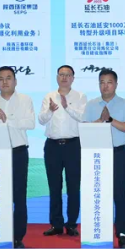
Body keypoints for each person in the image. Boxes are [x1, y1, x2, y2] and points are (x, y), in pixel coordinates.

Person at [0, 66, 35, 249]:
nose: (4, 82)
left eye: (8, 78)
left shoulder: (25, 100)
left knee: (19, 197)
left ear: (15, 81)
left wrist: (7, 120)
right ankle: (0, 233)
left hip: (18, 152)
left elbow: (30, 123)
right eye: (1, 78)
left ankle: (18, 236)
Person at [84, 69, 125, 249]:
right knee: (98, 195)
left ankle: (122, 234)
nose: (105, 86)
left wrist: (110, 119)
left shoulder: (124, 104)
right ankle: (99, 232)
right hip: (97, 155)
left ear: (116, 84)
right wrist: (101, 120)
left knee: (119, 195)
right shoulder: (91, 105)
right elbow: (85, 129)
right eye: (102, 82)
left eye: (109, 82)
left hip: (118, 154)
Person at [39, 64, 87, 237]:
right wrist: (50, 111)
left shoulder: (80, 96)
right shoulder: (49, 96)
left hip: (73, 145)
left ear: (73, 78)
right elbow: (41, 120)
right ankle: (56, 224)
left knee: (73, 186)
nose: (64, 77)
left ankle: (72, 224)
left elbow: (84, 118)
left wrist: (67, 107)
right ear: (57, 77)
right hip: (52, 146)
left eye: (68, 75)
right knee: (54, 187)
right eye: (61, 74)